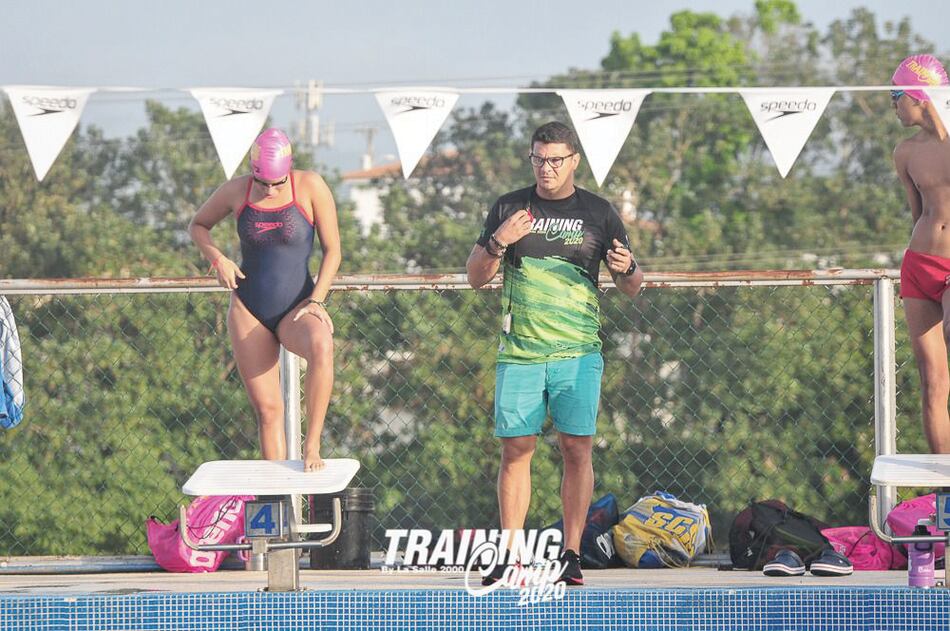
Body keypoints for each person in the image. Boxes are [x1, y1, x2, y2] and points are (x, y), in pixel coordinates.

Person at [466, 121, 644, 585]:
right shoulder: (509, 206)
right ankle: (509, 557)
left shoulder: (599, 213)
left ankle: (570, 554)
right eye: (539, 159)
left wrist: (628, 269)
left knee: (576, 449)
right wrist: (497, 240)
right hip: (520, 352)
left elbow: (632, 285)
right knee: (516, 450)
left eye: (555, 160)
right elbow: (475, 276)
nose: (546, 168)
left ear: (574, 162)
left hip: (579, 353)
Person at [189, 128, 341, 471]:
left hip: (298, 307)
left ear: (290, 170)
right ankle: (278, 506)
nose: (270, 191)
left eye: (278, 183)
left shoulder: (310, 186)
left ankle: (313, 446)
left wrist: (316, 301)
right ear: (252, 170)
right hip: (249, 308)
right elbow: (198, 225)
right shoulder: (235, 190)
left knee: (322, 345)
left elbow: (333, 252)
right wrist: (218, 259)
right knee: (269, 412)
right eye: (263, 184)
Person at [892, 54, 950, 453]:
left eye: (896, 95)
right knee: (933, 382)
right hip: (919, 265)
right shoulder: (905, 152)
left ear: (920, 95)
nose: (892, 104)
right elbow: (918, 213)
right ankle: (947, 486)